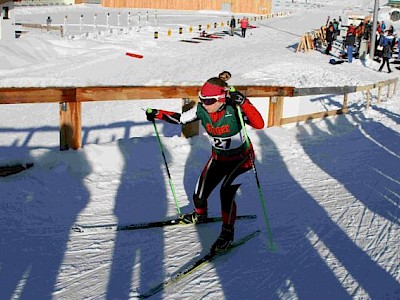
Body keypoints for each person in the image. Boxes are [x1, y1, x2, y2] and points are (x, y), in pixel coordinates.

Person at [145, 77, 265, 252]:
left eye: (208, 101)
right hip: (218, 158)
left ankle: (227, 233)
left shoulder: (234, 109)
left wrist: (244, 102)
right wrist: (157, 113)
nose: (204, 104)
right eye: (201, 99)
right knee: (199, 194)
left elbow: (259, 124)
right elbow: (180, 119)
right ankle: (200, 216)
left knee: (226, 193)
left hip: (241, 160)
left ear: (221, 99)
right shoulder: (201, 110)